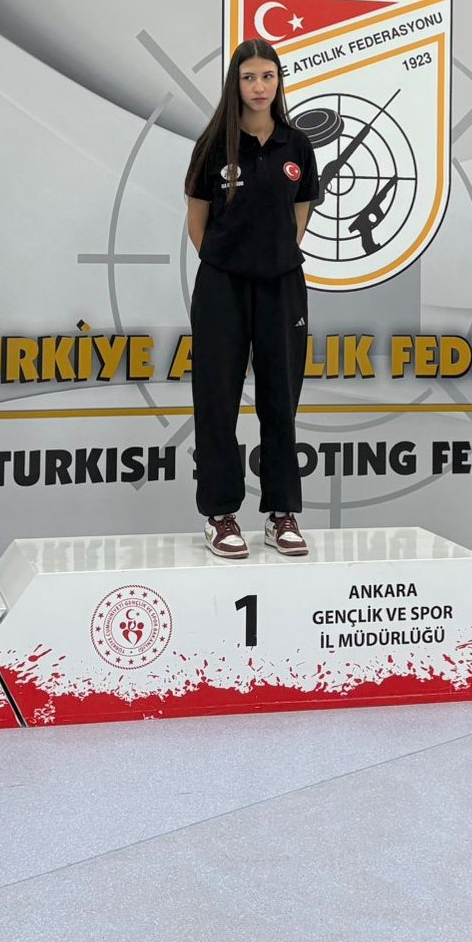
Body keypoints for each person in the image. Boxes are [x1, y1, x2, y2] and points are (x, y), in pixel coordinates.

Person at [184, 39, 320, 560]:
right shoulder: (213, 145)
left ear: (278, 81)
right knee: (217, 400)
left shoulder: (296, 145)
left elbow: (299, 216)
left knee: (280, 400)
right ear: (235, 84)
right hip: (222, 287)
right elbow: (197, 223)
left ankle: (281, 513)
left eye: (268, 76)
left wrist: (271, 258)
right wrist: (231, 262)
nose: (259, 87)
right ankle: (220, 516)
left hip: (282, 285)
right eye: (249, 78)